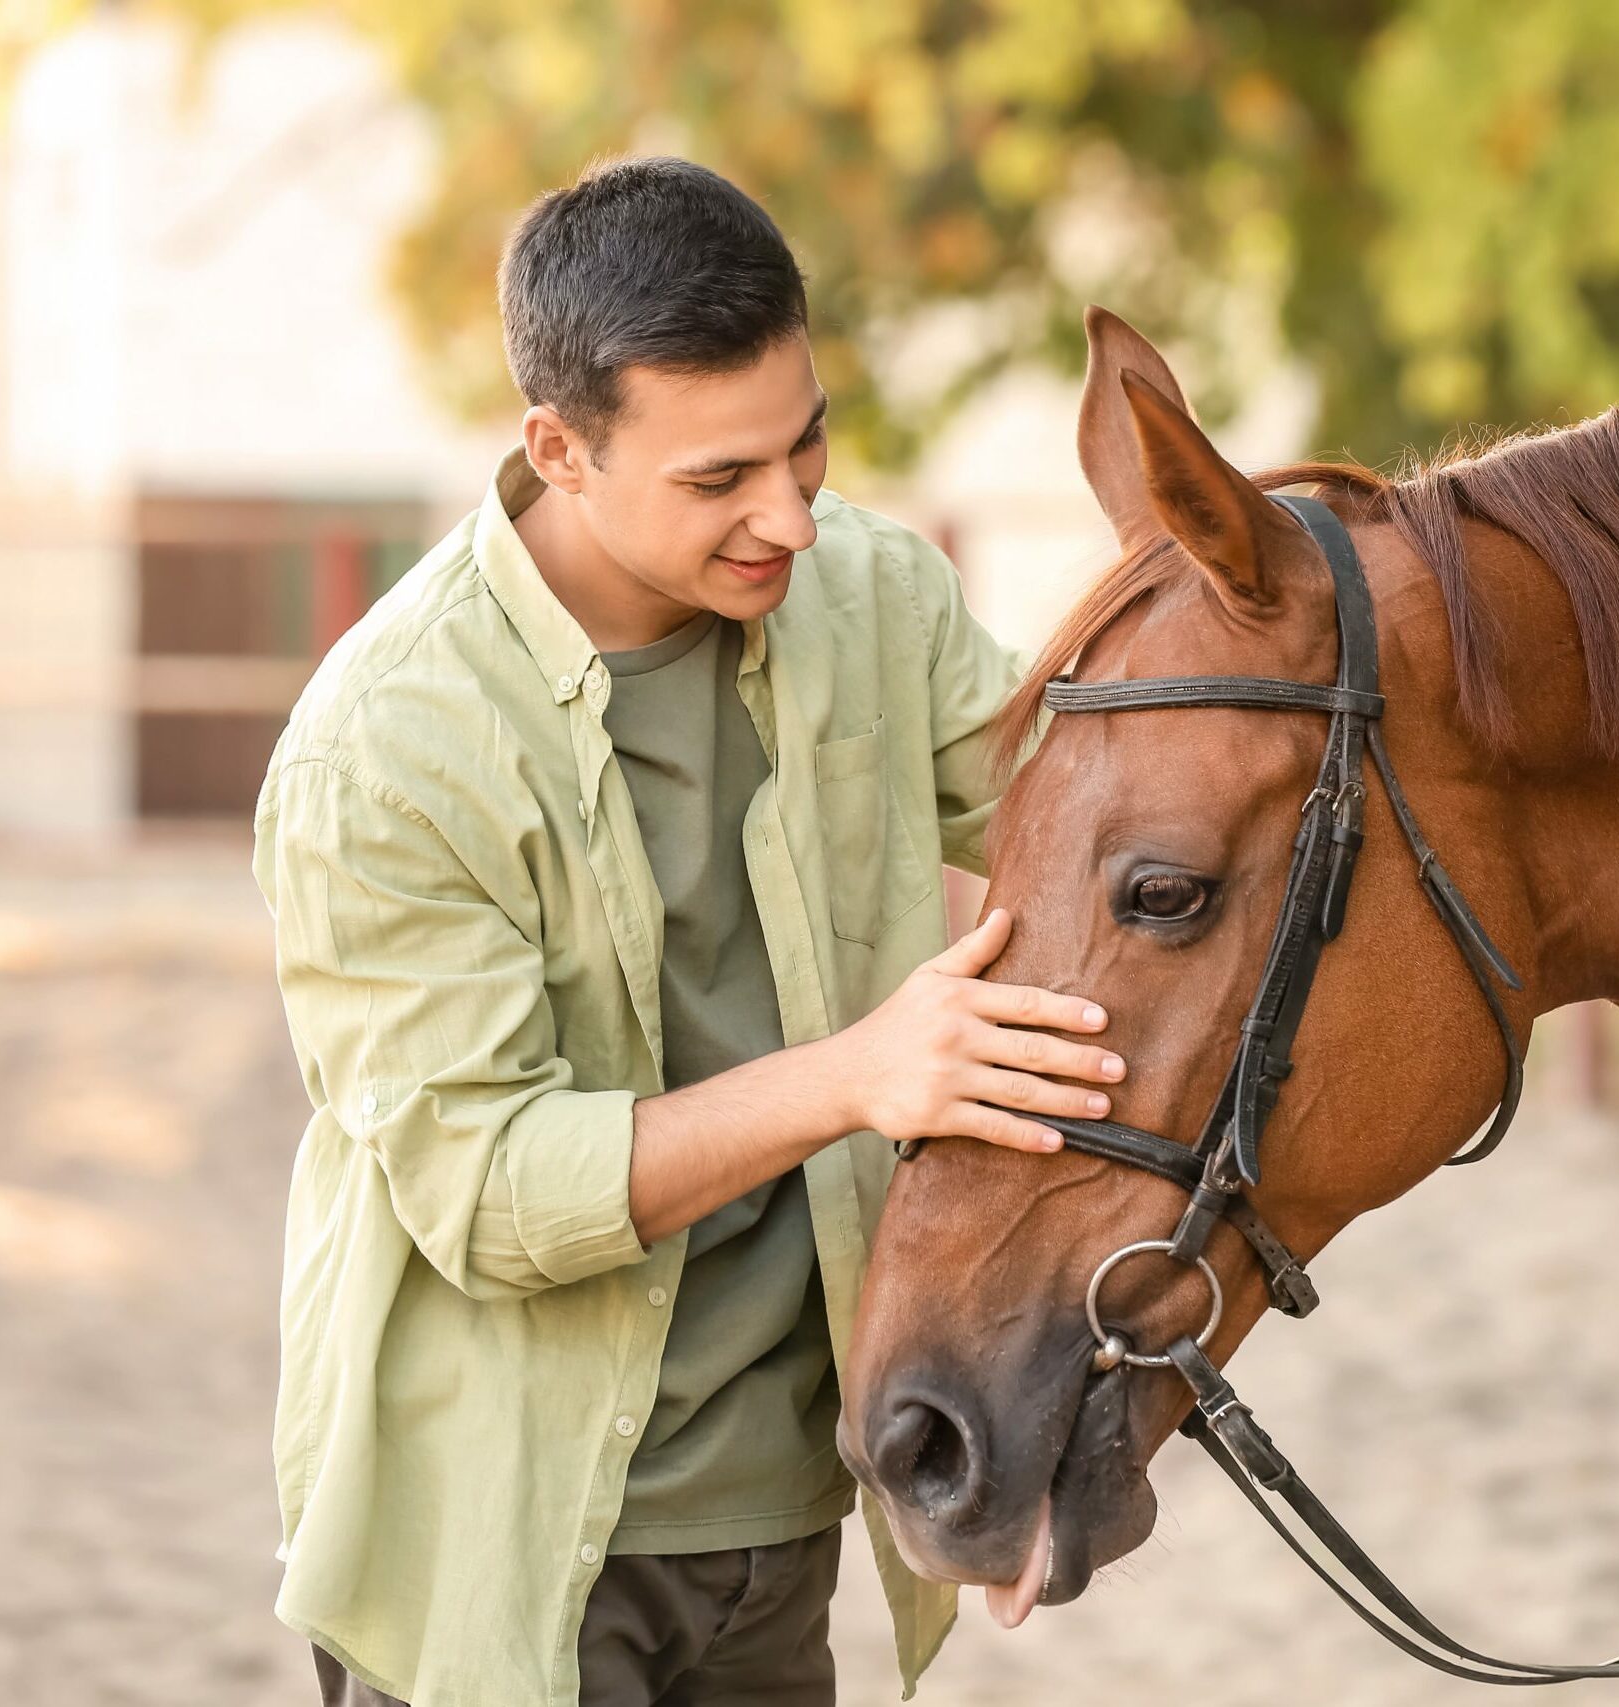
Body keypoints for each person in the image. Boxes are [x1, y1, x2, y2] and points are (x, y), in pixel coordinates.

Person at [252, 155, 1122, 1707]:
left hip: (781, 1519)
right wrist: (856, 1076)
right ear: (558, 450)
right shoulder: (380, 751)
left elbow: (1102, 842)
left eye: (806, 443)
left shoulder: (867, 592)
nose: (787, 514)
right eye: (720, 480)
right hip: (505, 1542)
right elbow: (492, 1192)